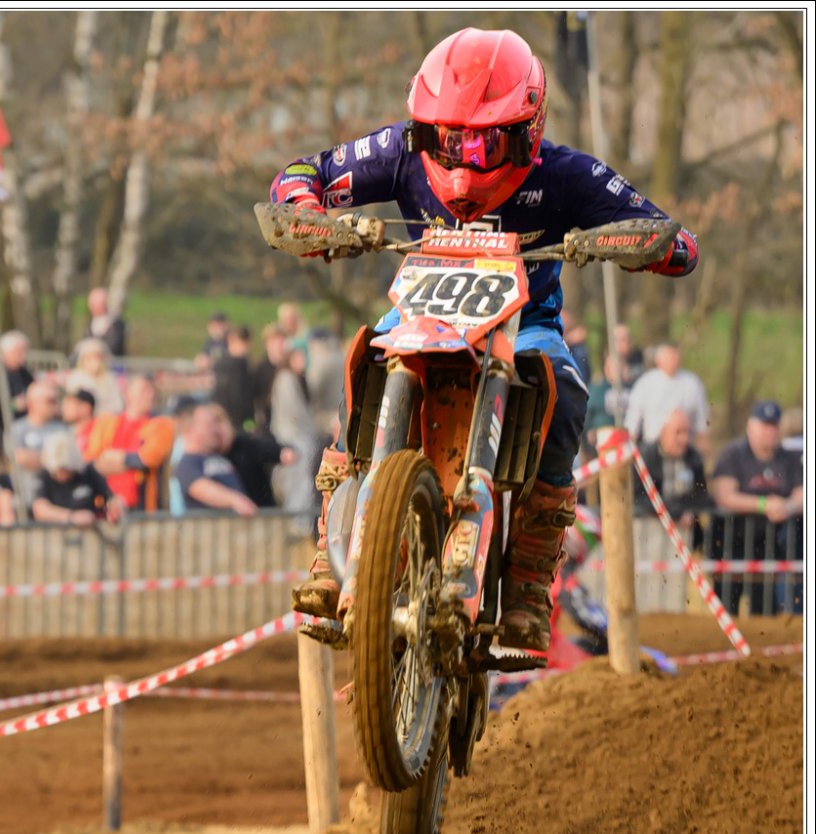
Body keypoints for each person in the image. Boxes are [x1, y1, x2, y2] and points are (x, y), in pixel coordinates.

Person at [269, 27, 699, 649]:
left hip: (526, 327)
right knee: (365, 358)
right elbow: (303, 172)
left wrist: (646, 246)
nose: (463, 160)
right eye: (448, 139)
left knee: (566, 390)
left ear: (527, 131)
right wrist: (308, 213)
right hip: (421, 315)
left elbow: (672, 237)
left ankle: (529, 573)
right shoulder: (399, 150)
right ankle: (329, 547)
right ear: (424, 129)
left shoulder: (566, 174)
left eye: (483, 142)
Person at [711, 400, 804, 615]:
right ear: (750, 426)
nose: (770, 431)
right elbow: (724, 495)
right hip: (732, 543)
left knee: (765, 610)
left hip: (771, 547)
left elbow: (803, 492)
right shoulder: (732, 454)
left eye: (774, 426)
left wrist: (787, 507)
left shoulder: (789, 458)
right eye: (764, 425)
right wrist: (763, 505)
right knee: (727, 606)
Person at [85, 373, 175, 513]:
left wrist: (114, 458)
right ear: (127, 393)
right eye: (144, 389)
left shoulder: (161, 424)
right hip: (105, 504)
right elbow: (92, 462)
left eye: (152, 390)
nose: (150, 394)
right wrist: (129, 461)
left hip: (142, 508)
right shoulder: (106, 422)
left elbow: (148, 459)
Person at [633, 409, 711, 546]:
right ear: (663, 431)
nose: (684, 439)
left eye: (687, 432)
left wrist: (688, 512)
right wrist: (676, 513)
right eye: (678, 432)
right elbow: (638, 497)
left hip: (683, 536)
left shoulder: (694, 458)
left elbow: (701, 495)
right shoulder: (645, 457)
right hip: (647, 533)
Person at [624, 342, 710, 451]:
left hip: (685, 448)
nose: (672, 360)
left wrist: (701, 450)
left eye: (675, 356)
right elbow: (633, 421)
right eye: (668, 356)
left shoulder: (692, 383)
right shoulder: (645, 383)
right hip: (653, 447)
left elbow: (702, 423)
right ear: (658, 360)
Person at [175, 403, 257, 516]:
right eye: (208, 425)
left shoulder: (220, 455)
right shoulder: (188, 462)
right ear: (190, 430)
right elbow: (199, 487)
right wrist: (234, 500)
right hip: (211, 525)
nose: (215, 430)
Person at [213, 404, 296, 509]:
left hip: (260, 509)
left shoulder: (243, 443)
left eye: (221, 424)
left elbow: (262, 447)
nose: (220, 431)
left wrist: (280, 452)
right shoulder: (207, 454)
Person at [32, 432, 123, 525]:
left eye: (64, 469)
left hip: (91, 528)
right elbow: (39, 509)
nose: (60, 474)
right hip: (56, 531)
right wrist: (71, 516)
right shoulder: (45, 476)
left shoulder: (88, 472)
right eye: (57, 471)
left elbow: (111, 498)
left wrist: (114, 508)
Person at [270, 346, 319, 517]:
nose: (302, 362)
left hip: (296, 434)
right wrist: (312, 429)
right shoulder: (286, 379)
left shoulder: (294, 379)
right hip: (293, 435)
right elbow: (295, 412)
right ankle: (296, 518)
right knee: (297, 480)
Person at [9, 381, 69, 512]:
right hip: (24, 499)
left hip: (56, 501)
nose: (55, 404)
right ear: (32, 403)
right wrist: (52, 459)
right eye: (49, 401)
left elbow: (66, 462)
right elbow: (19, 458)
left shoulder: (62, 429)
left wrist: (35, 458)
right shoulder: (17, 429)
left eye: (56, 400)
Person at [65, 338, 124, 416]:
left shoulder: (109, 379)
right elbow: (72, 406)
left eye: (97, 357)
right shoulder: (76, 378)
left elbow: (117, 404)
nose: (94, 361)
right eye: (90, 357)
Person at [211, 325, 255, 429]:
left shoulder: (222, 363)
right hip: (233, 421)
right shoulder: (235, 365)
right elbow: (237, 396)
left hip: (232, 420)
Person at [252, 323, 288, 435]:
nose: (280, 346)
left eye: (282, 342)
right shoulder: (259, 370)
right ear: (267, 344)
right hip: (268, 424)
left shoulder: (289, 368)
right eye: (275, 342)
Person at [85, 286, 127, 357]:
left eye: (96, 305)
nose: (93, 308)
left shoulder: (115, 323)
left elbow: (114, 345)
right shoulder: (90, 322)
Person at [62, 387, 96, 455]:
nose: (64, 409)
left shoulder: (98, 432)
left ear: (85, 408)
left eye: (69, 405)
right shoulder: (70, 433)